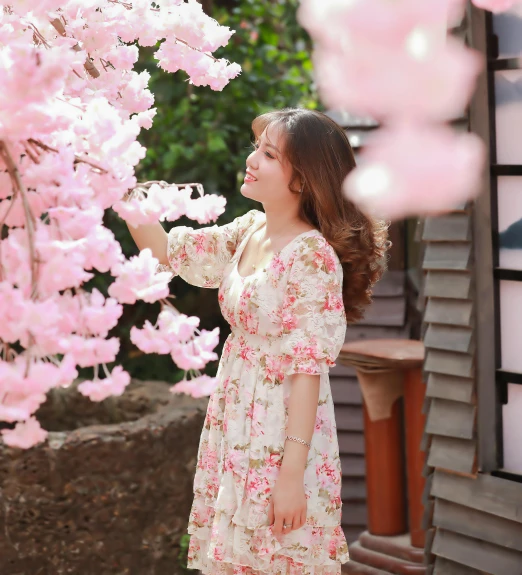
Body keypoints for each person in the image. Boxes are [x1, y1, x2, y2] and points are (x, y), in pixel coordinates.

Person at [124, 107, 389, 575]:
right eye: (257, 148)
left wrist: (291, 478)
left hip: (282, 428)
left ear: (303, 179)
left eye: (268, 154)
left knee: (277, 555)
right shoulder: (250, 230)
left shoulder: (312, 256)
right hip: (237, 414)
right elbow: (166, 251)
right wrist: (117, 180)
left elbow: (307, 372)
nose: (252, 159)